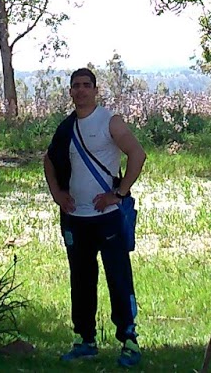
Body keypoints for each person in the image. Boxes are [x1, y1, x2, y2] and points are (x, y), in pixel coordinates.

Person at [43, 67, 146, 368]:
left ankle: (129, 341)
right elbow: (49, 160)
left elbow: (137, 155)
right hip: (76, 218)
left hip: (108, 217)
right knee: (81, 280)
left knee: (118, 277)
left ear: (96, 90)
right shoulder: (66, 127)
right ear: (70, 92)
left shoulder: (109, 121)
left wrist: (120, 193)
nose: (81, 91)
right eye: (76, 86)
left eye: (87, 85)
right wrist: (57, 194)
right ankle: (84, 340)